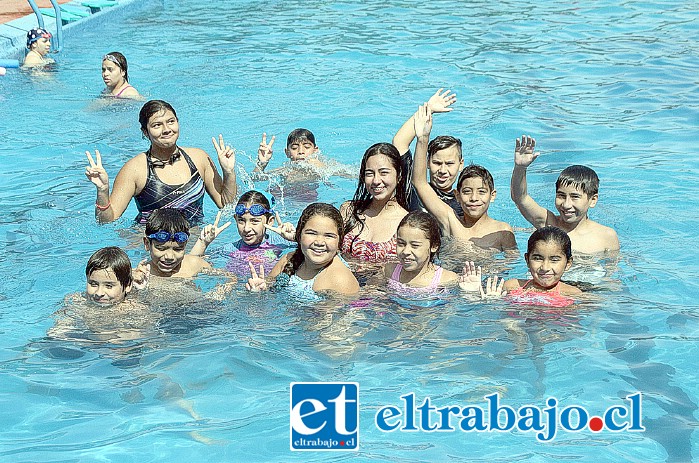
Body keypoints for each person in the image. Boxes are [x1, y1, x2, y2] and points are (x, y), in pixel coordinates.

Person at [85, 100, 237, 224]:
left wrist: (228, 172)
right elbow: (106, 221)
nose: (166, 129)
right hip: (153, 248)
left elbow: (226, 205)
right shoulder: (135, 170)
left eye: (171, 121)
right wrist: (103, 190)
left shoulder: (199, 159)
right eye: (157, 125)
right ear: (145, 132)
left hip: (194, 241)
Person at [412, 104, 516, 251]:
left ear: (492, 195)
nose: (474, 198)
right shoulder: (451, 221)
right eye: (467, 191)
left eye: (481, 191)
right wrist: (423, 139)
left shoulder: (503, 231)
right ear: (457, 196)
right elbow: (419, 182)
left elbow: (512, 264)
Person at [510, 135, 620, 254]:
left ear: (593, 200)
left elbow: (612, 270)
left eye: (575, 197)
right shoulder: (549, 224)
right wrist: (520, 168)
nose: (566, 204)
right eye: (561, 196)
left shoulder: (607, 236)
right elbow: (520, 198)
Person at [246, 203, 359, 298]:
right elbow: (269, 292)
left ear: (339, 242)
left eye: (329, 236)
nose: (319, 242)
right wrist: (259, 292)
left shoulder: (339, 280)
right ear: (299, 236)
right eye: (311, 233)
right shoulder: (288, 259)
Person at [462, 226, 582, 307]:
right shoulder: (511, 286)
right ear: (527, 260)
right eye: (537, 258)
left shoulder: (573, 294)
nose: (545, 267)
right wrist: (472, 292)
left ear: (568, 263)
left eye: (554, 260)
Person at [190, 190, 293, 277]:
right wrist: (203, 243)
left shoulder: (280, 242)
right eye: (241, 221)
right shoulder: (230, 250)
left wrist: (293, 237)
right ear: (235, 219)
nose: (246, 228)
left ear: (270, 221)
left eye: (254, 221)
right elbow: (191, 263)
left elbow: (307, 248)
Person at [393, 88, 463, 216]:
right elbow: (399, 142)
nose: (442, 170)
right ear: (427, 162)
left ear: (460, 164)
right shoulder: (412, 187)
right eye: (437, 163)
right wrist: (428, 109)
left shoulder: (465, 202)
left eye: (449, 163)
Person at [340, 143, 410, 263]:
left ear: (398, 176)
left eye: (384, 173)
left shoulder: (407, 223)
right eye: (369, 174)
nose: (376, 181)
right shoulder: (349, 210)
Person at [385, 211, 459, 295]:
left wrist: (470, 290)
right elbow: (370, 298)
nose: (405, 251)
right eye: (401, 243)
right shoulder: (389, 272)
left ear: (434, 246)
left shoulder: (447, 279)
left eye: (415, 245)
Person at [141, 208, 212, 278]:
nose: (169, 257)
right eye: (161, 249)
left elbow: (220, 277)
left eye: (178, 249)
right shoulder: (139, 275)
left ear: (185, 245)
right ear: (147, 244)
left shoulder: (195, 265)